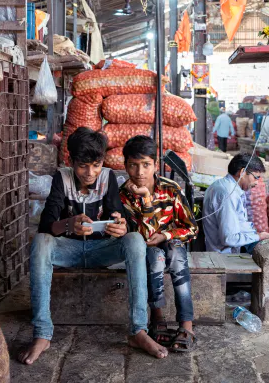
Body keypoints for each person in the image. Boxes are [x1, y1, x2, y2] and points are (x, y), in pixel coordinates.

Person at [19, 127, 169, 365]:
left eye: (96, 165)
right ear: (71, 161)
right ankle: (42, 333)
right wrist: (69, 224)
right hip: (67, 250)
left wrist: (122, 225)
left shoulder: (108, 177)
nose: (90, 173)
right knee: (40, 242)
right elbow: (46, 226)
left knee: (134, 240)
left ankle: (138, 331)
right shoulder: (62, 177)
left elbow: (118, 214)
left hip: (101, 250)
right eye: (83, 166)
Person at [120, 135, 198, 353]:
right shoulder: (125, 195)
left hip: (172, 244)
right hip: (147, 249)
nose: (140, 172)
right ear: (125, 166)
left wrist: (167, 235)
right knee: (154, 257)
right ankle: (158, 318)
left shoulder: (171, 189)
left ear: (155, 165)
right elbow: (144, 236)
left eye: (146, 165)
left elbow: (192, 228)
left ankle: (186, 325)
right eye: (133, 165)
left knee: (176, 255)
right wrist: (145, 198)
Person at [202, 153, 269, 254]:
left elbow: (238, 225)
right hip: (224, 257)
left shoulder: (225, 186)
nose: (257, 183)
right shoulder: (228, 194)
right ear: (242, 172)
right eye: (256, 177)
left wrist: (258, 234)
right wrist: (261, 236)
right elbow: (229, 238)